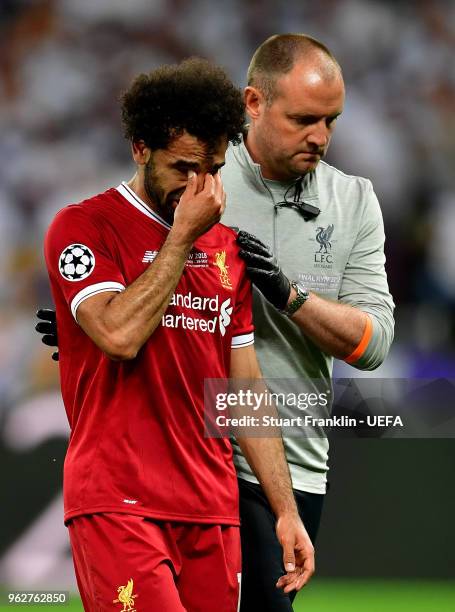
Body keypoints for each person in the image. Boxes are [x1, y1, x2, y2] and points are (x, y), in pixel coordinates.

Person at [37, 34, 395, 612]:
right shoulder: (93, 224)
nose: (200, 189)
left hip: (219, 499)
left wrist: (284, 510)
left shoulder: (241, 240)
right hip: (123, 498)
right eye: (183, 168)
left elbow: (247, 390)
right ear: (139, 150)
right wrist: (172, 245)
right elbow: (120, 335)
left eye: (212, 171)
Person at [218, 34, 395, 611]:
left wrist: (291, 297)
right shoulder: (201, 179)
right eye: (303, 119)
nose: (319, 137)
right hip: (195, 450)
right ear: (253, 103)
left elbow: (374, 343)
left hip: (292, 464)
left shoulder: (354, 200)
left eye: (331, 121)